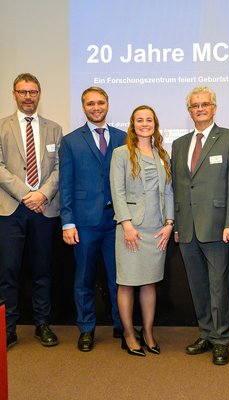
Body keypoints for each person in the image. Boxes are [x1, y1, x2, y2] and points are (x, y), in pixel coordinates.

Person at [171, 86, 229, 365]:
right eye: (194, 105)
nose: (200, 109)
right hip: (188, 228)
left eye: (205, 104)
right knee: (198, 285)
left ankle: (221, 340)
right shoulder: (179, 145)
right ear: (189, 111)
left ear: (214, 108)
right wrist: (177, 224)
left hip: (218, 227)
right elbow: (179, 188)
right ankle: (206, 332)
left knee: (219, 286)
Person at [59, 87, 125, 351]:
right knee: (84, 278)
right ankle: (86, 328)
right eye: (90, 104)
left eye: (100, 102)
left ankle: (122, 324)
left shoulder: (122, 137)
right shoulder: (71, 140)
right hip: (84, 222)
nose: (95, 107)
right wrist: (67, 221)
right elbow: (66, 183)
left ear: (107, 104)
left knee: (118, 277)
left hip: (116, 220)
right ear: (83, 107)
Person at [0, 73, 62, 349]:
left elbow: (61, 168)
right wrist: (27, 195)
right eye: (23, 92)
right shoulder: (2, 127)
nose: (28, 97)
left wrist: (42, 194)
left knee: (42, 270)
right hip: (11, 209)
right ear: (14, 94)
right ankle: (8, 328)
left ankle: (42, 324)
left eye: (33, 92)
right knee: (8, 271)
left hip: (44, 209)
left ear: (39, 94)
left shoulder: (54, 129)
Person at [110, 105, 174, 356]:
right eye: (140, 120)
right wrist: (126, 225)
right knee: (126, 283)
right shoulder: (121, 153)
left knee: (149, 283)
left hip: (156, 230)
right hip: (131, 229)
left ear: (155, 124)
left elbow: (169, 191)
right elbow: (118, 191)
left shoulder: (162, 154)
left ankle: (147, 332)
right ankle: (128, 334)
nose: (144, 123)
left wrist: (169, 224)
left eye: (149, 120)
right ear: (132, 124)